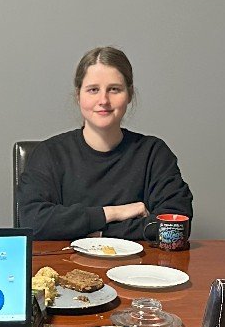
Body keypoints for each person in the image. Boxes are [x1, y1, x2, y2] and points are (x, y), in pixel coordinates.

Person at [17, 46, 193, 241]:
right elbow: (32, 222)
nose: (103, 100)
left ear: (129, 94)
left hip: (138, 261)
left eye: (114, 89)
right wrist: (112, 213)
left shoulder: (154, 154)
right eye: (93, 90)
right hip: (66, 260)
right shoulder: (49, 154)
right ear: (78, 95)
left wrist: (101, 232)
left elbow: (175, 227)